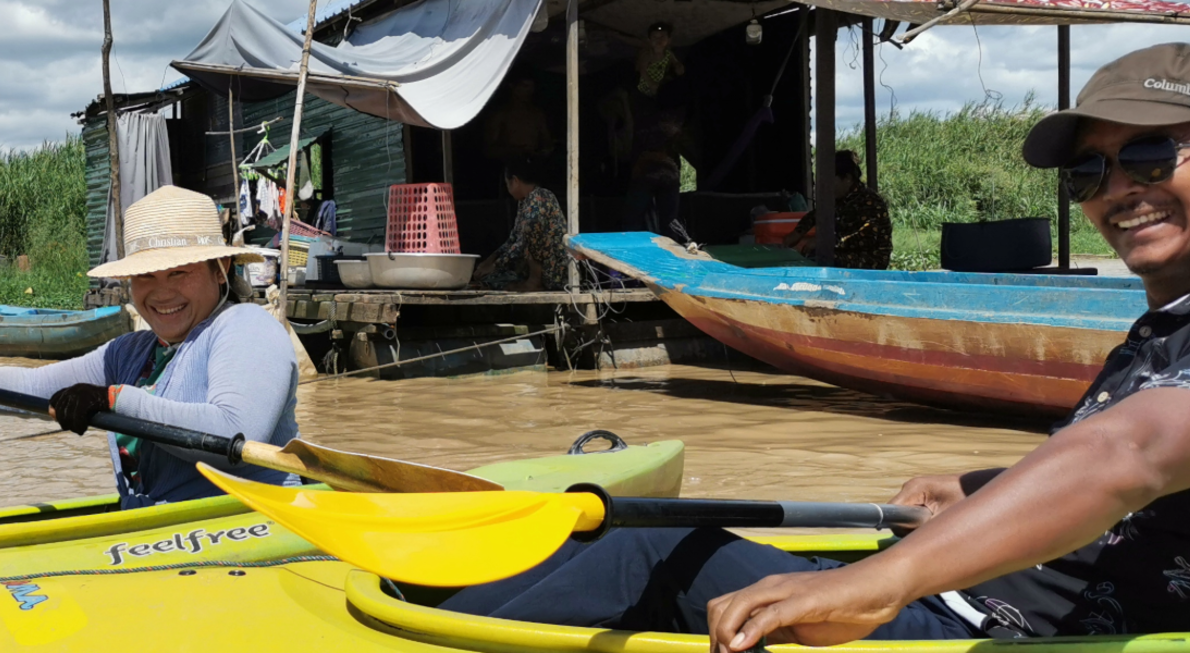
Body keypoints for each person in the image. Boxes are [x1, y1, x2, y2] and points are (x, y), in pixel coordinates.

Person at [440, 43, 1190, 647]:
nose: (1118, 188)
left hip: (994, 629)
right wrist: (980, 484)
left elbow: (1127, 454)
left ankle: (402, 629)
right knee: (634, 529)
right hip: (965, 592)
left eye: (1152, 155)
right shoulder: (1157, 330)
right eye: (1089, 171)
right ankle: (428, 588)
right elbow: (1136, 480)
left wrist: (878, 582)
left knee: (651, 555)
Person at [0, 185, 302, 510]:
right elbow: (29, 387)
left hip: (248, 533)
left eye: (179, 272)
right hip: (156, 539)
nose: (162, 292)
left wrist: (111, 400)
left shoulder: (246, 327)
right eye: (145, 275)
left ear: (220, 270)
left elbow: (236, 435)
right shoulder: (130, 353)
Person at [784, 150, 893, 269]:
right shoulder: (840, 199)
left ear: (847, 178)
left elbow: (865, 236)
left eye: (831, 180)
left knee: (820, 257)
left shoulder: (869, 201)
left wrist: (824, 242)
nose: (827, 186)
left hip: (869, 259)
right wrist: (797, 233)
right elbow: (816, 215)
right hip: (844, 253)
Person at [475, 157, 571, 291]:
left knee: (496, 279)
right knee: (487, 279)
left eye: (507, 184)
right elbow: (513, 238)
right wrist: (490, 260)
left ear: (515, 181)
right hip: (535, 268)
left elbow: (524, 241)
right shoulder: (525, 202)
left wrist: (496, 265)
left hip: (554, 271)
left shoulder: (540, 198)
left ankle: (534, 282)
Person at [483, 76, 558, 162]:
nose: (529, 91)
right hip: (508, 164)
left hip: (533, 164)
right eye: (525, 86)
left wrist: (545, 150)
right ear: (512, 86)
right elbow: (489, 149)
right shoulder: (501, 114)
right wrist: (516, 151)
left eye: (532, 87)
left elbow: (546, 141)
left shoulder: (537, 114)